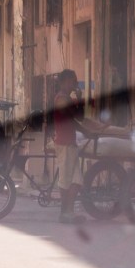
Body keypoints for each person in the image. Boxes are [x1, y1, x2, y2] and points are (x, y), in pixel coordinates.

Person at [52, 68, 86, 224]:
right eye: (73, 80)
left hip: (70, 142)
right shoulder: (62, 99)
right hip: (65, 143)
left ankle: (68, 212)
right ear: (65, 82)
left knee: (76, 181)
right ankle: (64, 213)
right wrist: (78, 99)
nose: (75, 83)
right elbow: (77, 117)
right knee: (66, 180)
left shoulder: (67, 99)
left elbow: (78, 119)